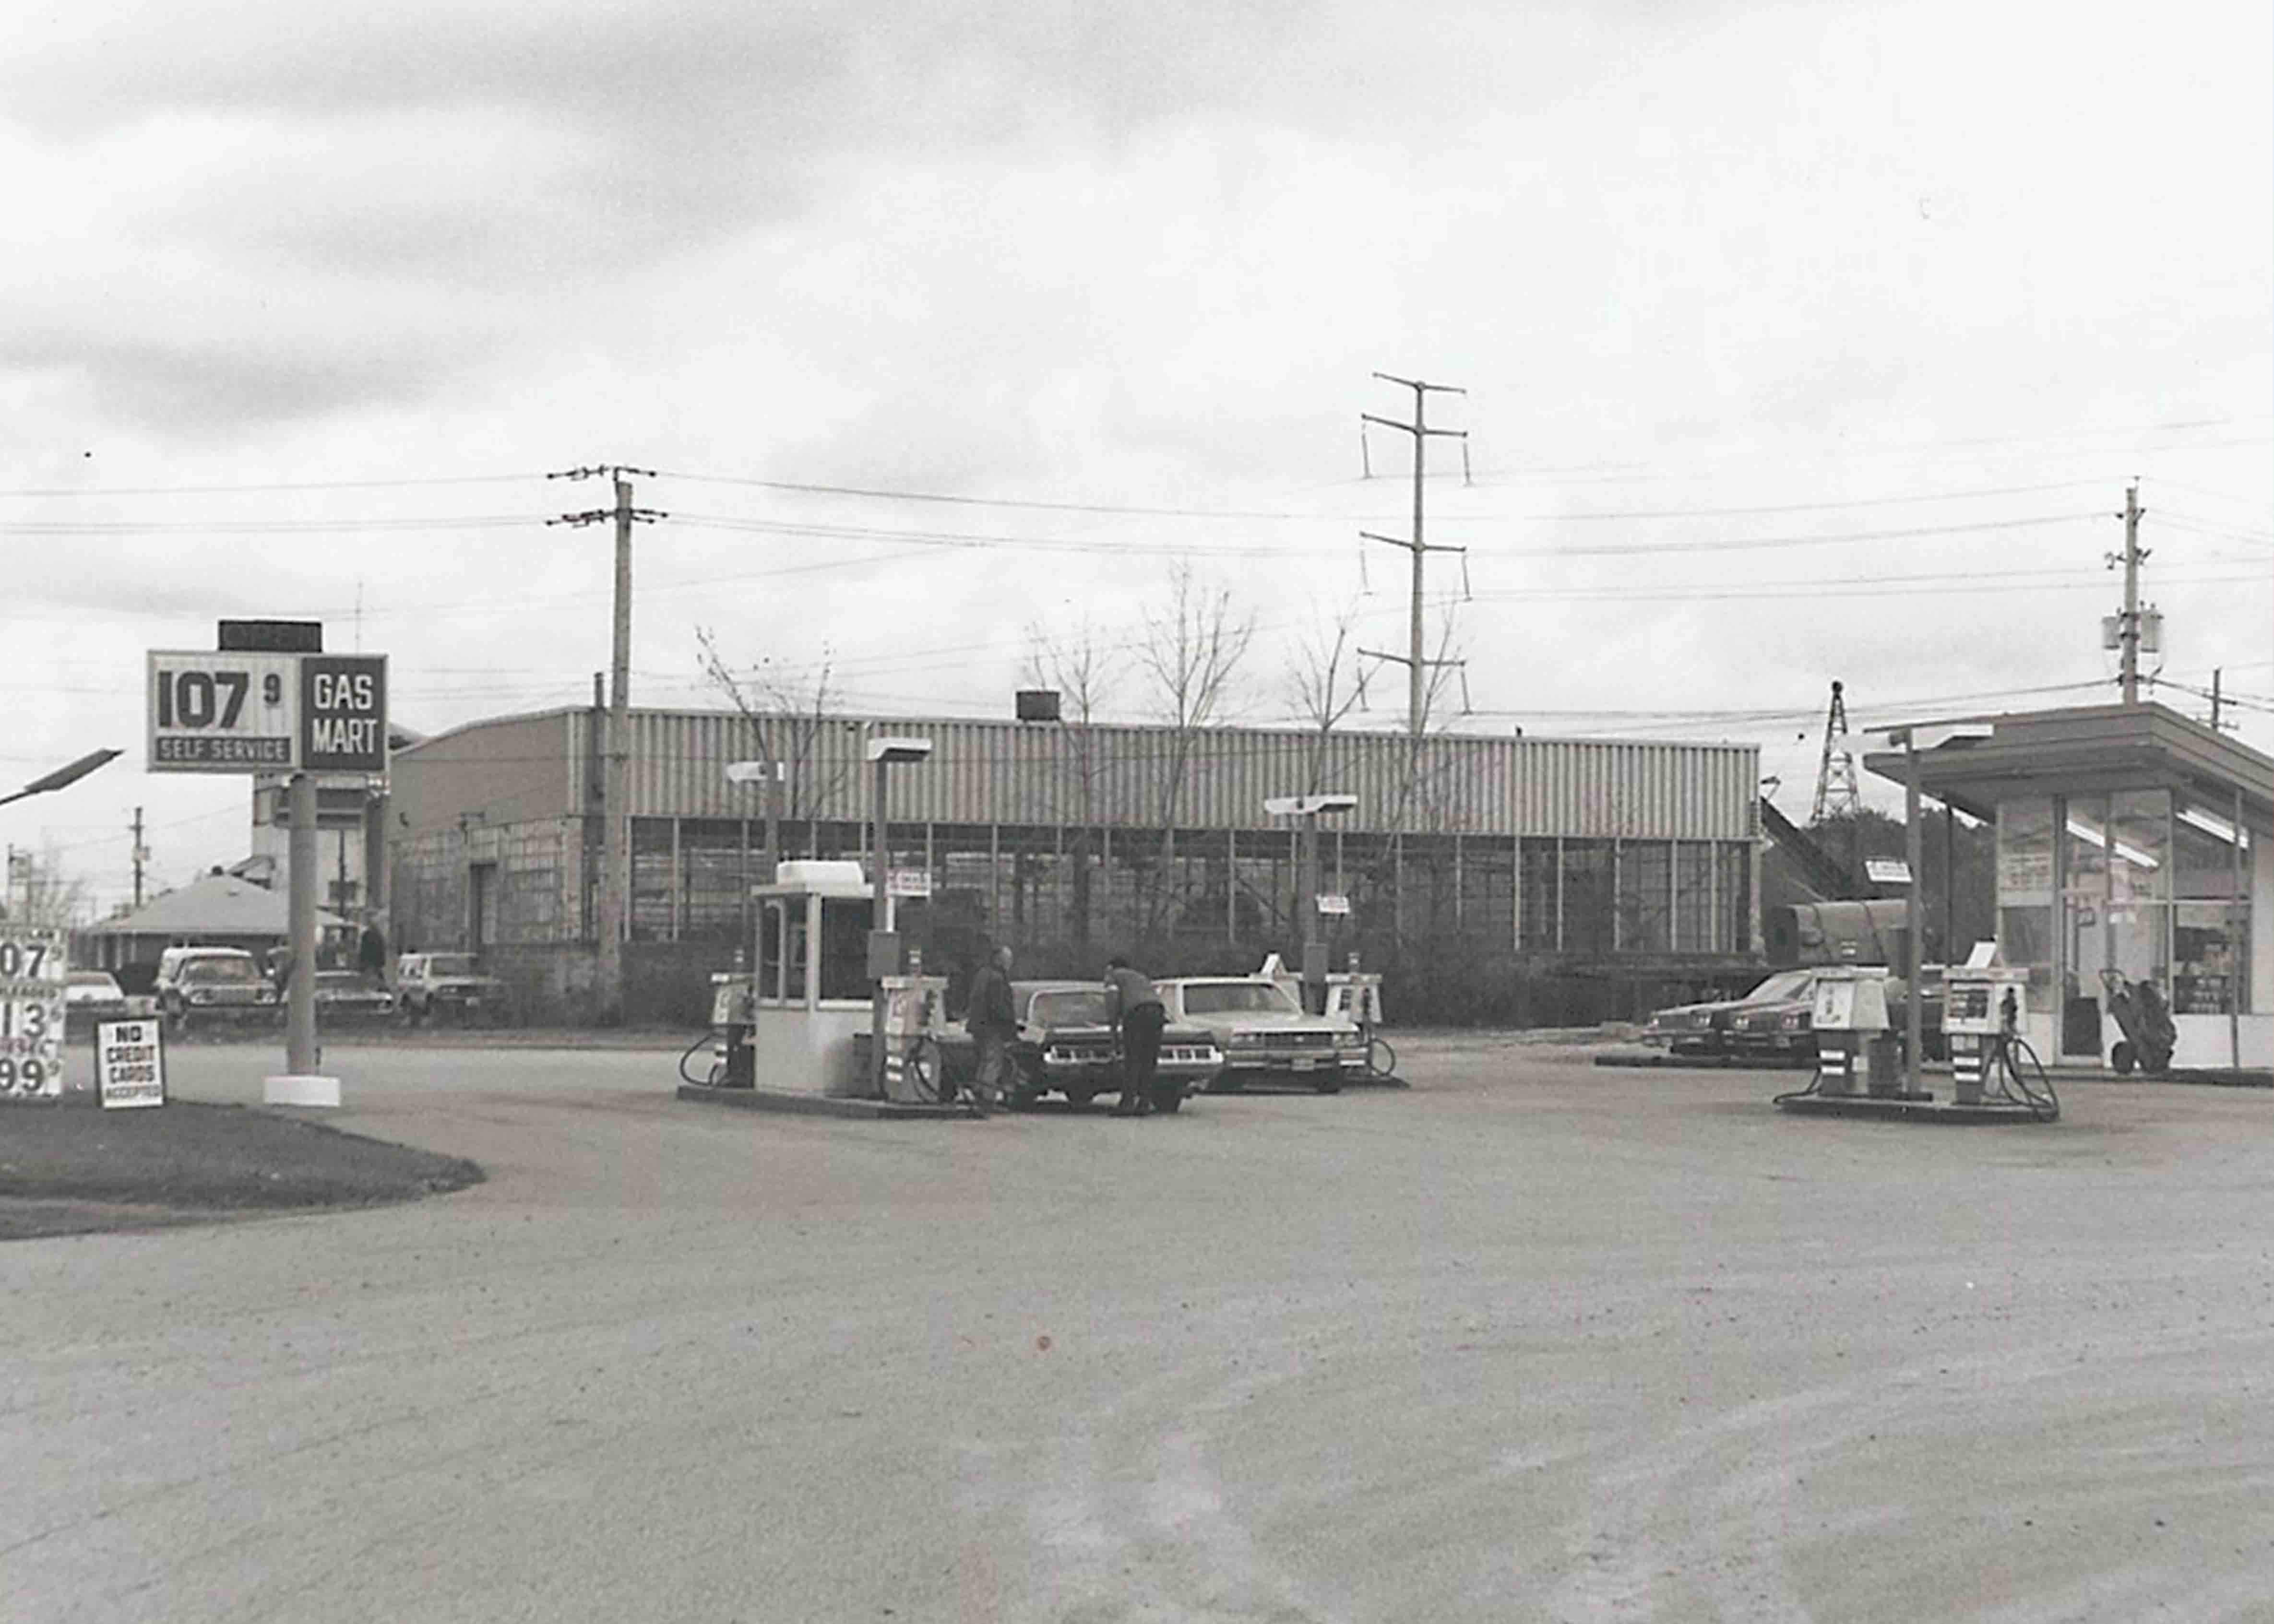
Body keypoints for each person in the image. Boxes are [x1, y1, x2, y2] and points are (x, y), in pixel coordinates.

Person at [1102, 955, 1167, 1117]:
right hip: (1157, 1011)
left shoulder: (1114, 978)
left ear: (1111, 968)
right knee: (1149, 1060)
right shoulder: (1141, 977)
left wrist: (1113, 1032)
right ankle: (1144, 1103)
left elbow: (1113, 1004)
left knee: (1133, 1060)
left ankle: (1127, 1104)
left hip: (1137, 1013)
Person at [964, 944, 1017, 1113]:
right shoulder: (997, 979)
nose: (1011, 963)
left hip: (978, 1026)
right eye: (1009, 959)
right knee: (993, 1061)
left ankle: (980, 1093)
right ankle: (987, 1099)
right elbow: (999, 1007)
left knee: (984, 1060)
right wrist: (1010, 1026)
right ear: (1001, 960)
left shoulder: (983, 974)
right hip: (992, 1027)